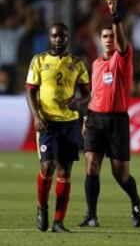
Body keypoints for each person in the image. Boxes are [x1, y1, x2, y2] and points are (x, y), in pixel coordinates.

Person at [78, 0, 140, 228]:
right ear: (100, 39)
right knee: (91, 164)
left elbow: (121, 39)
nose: (108, 39)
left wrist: (114, 13)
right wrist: (86, 116)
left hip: (117, 121)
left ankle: (136, 202)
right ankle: (91, 215)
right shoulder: (96, 64)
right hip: (95, 118)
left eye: (111, 36)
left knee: (120, 173)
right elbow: (95, 92)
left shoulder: (123, 59)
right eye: (104, 36)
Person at [25, 22, 90, 232]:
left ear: (67, 38)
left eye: (62, 36)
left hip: (69, 123)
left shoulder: (77, 63)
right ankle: (41, 207)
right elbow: (30, 91)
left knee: (65, 171)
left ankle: (59, 221)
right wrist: (35, 116)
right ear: (49, 38)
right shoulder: (39, 60)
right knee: (47, 166)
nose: (58, 40)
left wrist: (79, 103)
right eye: (54, 36)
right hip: (47, 122)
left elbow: (90, 93)